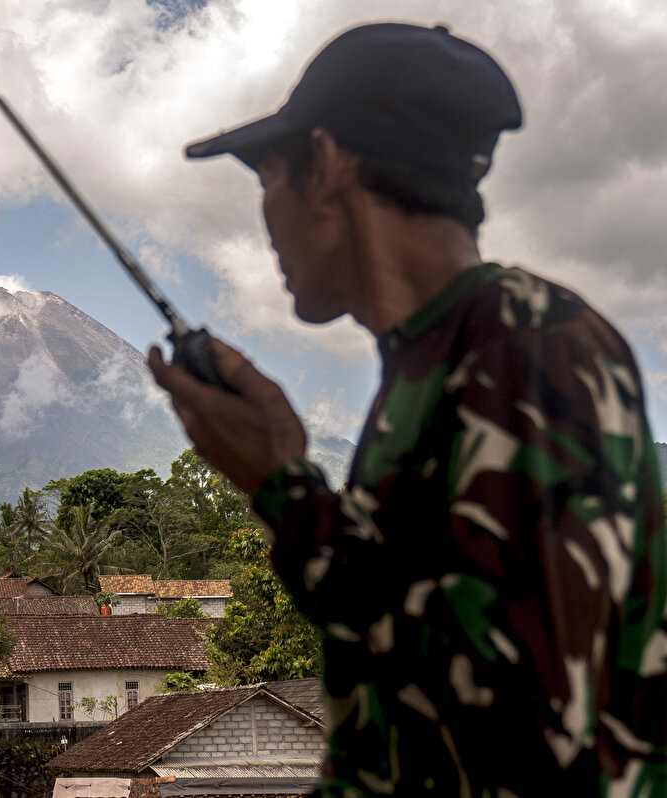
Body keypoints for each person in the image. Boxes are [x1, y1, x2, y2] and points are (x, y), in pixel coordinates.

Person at [149, 21, 667, 797]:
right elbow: (398, 729)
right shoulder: (435, 364)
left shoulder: (529, 346)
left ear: (328, 162)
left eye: (267, 180)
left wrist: (287, 493)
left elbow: (520, 727)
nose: (265, 226)